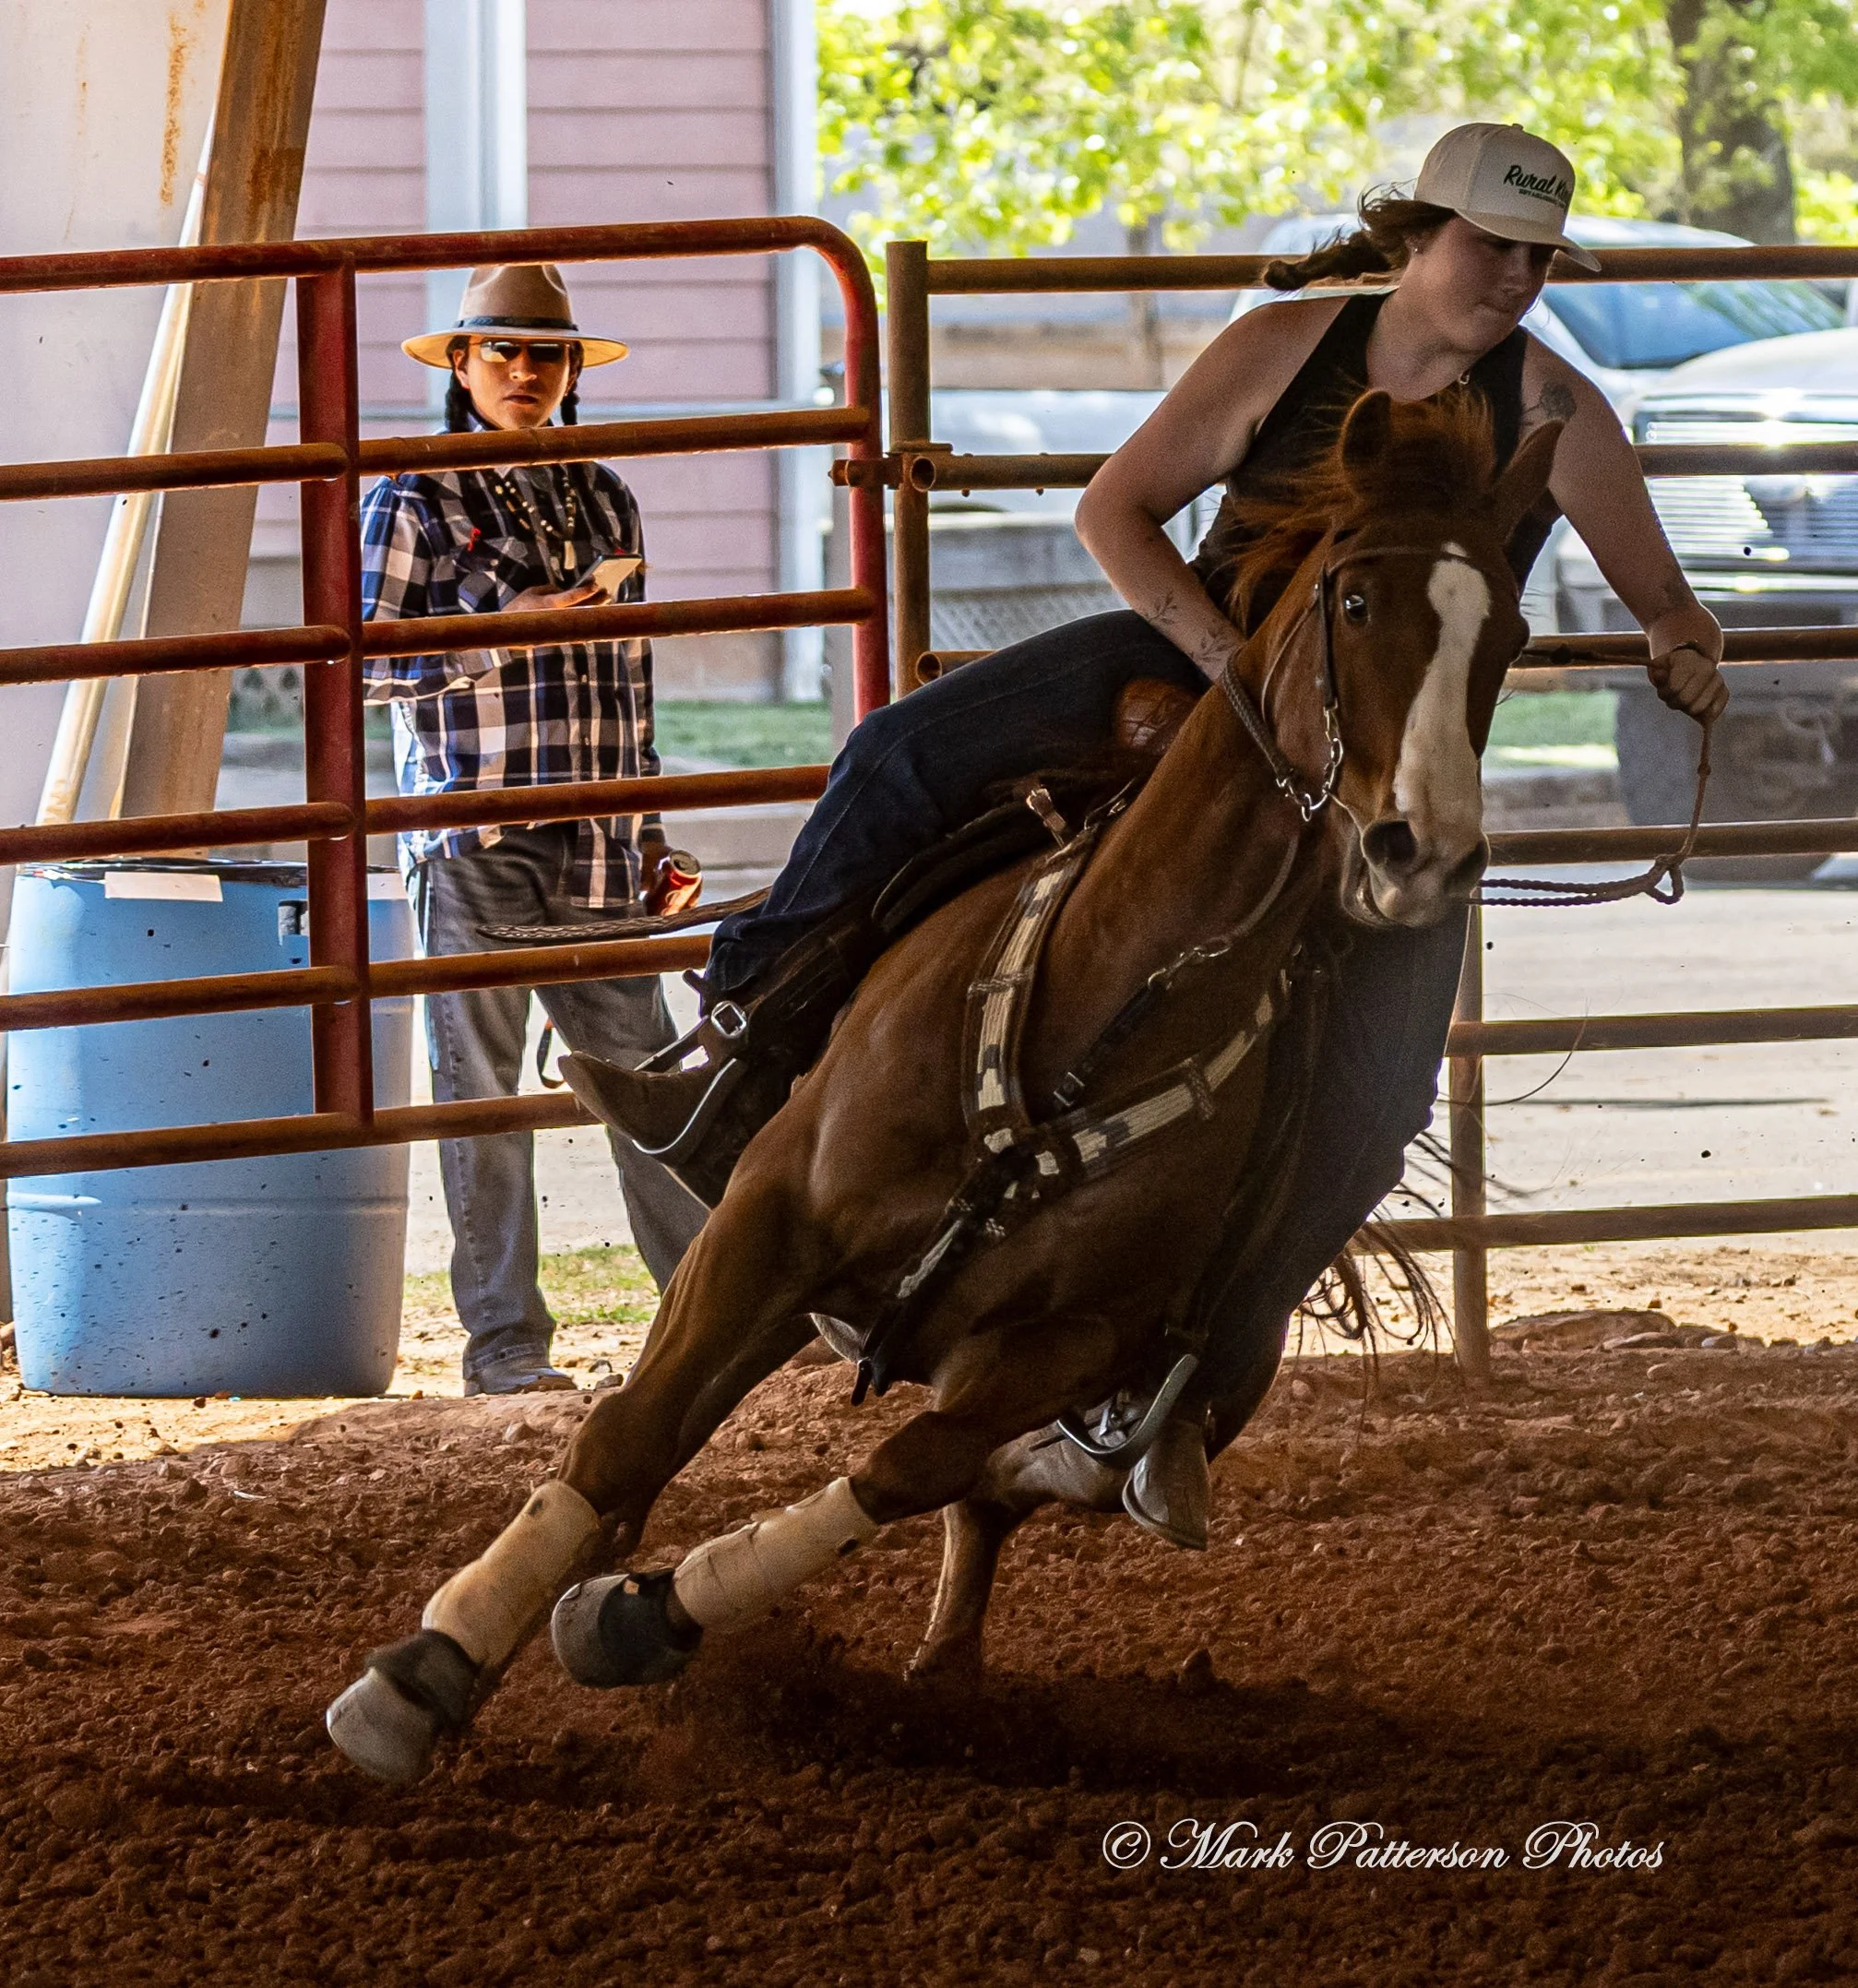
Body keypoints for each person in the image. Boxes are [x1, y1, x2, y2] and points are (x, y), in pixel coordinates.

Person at [593, 125, 1730, 1537]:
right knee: (903, 751)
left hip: (1380, 767)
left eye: (1535, 255)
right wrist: (1220, 658)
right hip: (1203, 658)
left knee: (1376, 1101)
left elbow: (1659, 594)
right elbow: (1115, 507)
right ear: (1416, 234)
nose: (1513, 275)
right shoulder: (1286, 347)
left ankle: (1184, 1375)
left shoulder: (1556, 405)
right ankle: (735, 1039)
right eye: (1490, 245)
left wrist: (1683, 640)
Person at [360, 262, 707, 1397]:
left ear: (568, 370)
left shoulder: (603, 495)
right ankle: (503, 1342)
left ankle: (701, 1313)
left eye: (546, 354)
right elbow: (361, 665)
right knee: (485, 1092)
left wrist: (647, 822)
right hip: (474, 827)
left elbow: (631, 671)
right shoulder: (411, 495)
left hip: (598, 825)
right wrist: (500, 632)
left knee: (648, 1074)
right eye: (502, 352)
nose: (524, 371)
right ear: (459, 365)